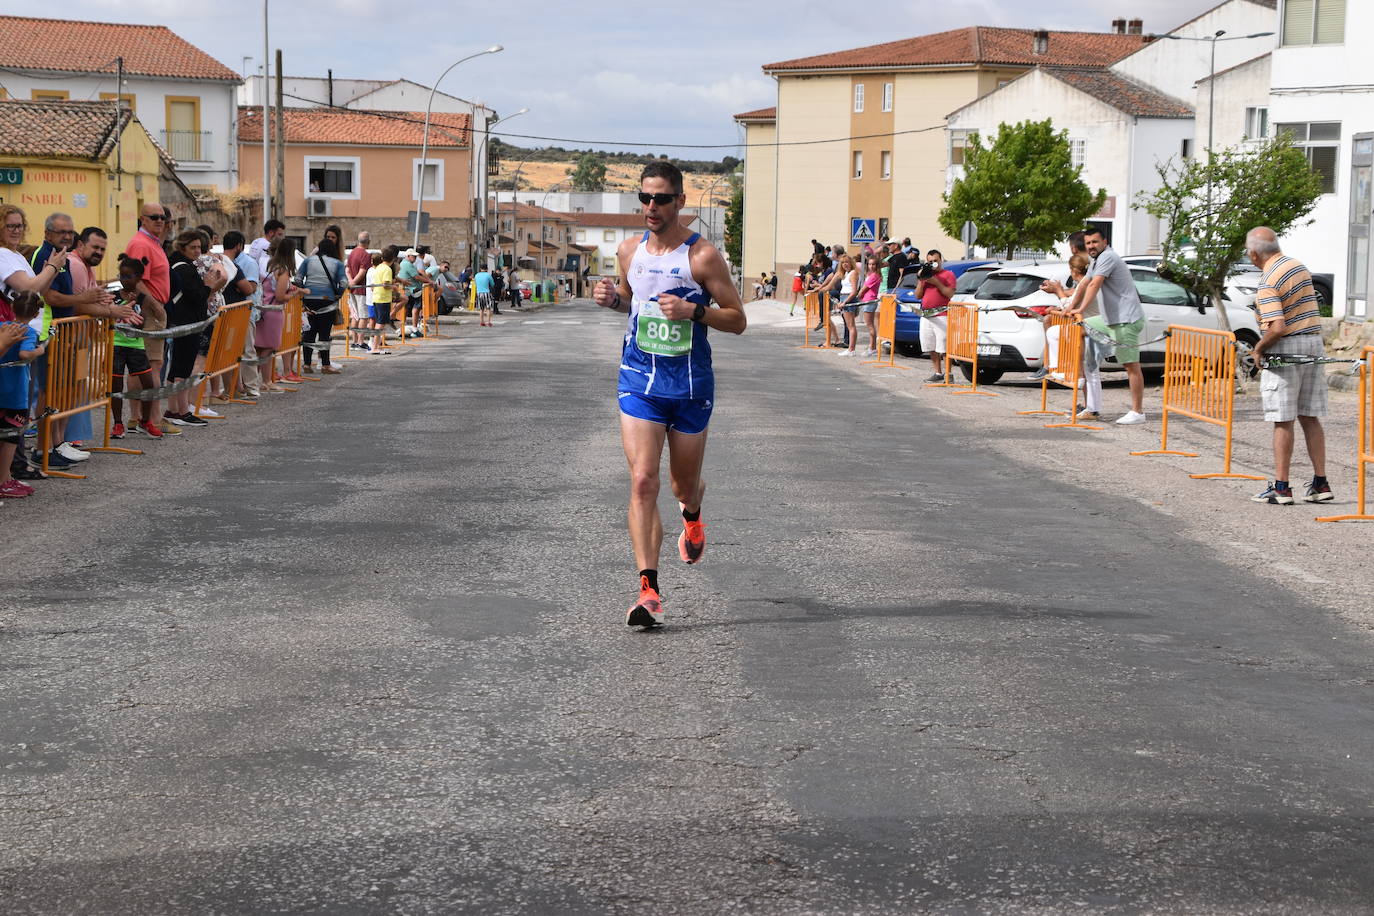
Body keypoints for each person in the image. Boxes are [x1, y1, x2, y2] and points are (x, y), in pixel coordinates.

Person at [592, 161, 747, 627]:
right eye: (644, 198)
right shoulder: (627, 250)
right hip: (638, 379)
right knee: (643, 480)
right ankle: (648, 591)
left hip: (690, 383)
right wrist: (611, 300)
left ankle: (693, 512)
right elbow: (630, 300)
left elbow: (737, 319)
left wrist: (693, 311)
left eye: (661, 199)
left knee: (681, 485)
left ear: (680, 201)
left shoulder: (702, 257)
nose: (651, 207)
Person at [1246, 227, 1331, 505]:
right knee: (1310, 416)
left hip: (1287, 348)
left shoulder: (1268, 278)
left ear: (1254, 253)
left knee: (1283, 418)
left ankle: (1281, 487)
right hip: (1313, 343)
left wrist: (1259, 347)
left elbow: (1277, 326)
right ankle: (1321, 483)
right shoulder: (1298, 266)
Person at [1078, 227, 1146, 425]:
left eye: (1094, 242)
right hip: (1109, 319)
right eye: (1088, 243)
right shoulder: (1096, 260)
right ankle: (1084, 384)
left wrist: (1080, 308)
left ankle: (1137, 412)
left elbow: (1094, 285)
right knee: (1080, 327)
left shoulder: (1108, 257)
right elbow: (1084, 283)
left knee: (1131, 366)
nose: (1091, 246)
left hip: (1126, 320)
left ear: (1104, 241)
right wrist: (1070, 309)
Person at [125, 204, 177, 435]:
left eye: (162, 217)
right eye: (154, 217)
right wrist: (156, 307)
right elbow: (135, 279)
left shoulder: (151, 242)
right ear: (142, 219)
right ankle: (153, 419)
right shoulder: (141, 244)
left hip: (150, 310)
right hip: (149, 312)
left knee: (141, 367)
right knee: (152, 367)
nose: (159, 221)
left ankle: (137, 418)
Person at [108, 254, 162, 439]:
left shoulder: (143, 298)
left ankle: (145, 420)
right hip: (116, 345)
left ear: (138, 278)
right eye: (121, 276)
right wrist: (123, 304)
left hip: (136, 346)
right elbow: (110, 318)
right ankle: (117, 424)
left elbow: (142, 323)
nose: (124, 280)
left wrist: (132, 306)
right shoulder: (113, 297)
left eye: (128, 276)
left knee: (149, 384)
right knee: (116, 386)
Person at [0, 290, 45, 498]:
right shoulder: (29, 332)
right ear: (36, 314)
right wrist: (39, 351)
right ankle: (4, 481)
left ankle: (5, 477)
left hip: (2, 390)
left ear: (11, 308)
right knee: (10, 438)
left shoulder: (3, 327)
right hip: (15, 393)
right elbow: (24, 354)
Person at [255, 239, 307, 390]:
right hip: (274, 311)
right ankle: (266, 382)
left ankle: (254, 382)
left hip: (262, 309)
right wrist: (294, 293)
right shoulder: (282, 270)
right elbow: (280, 296)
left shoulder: (268, 266)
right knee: (269, 348)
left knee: (259, 348)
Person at [294, 236, 347, 374]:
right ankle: (325, 365)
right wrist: (338, 295)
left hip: (308, 300)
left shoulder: (308, 261)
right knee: (324, 333)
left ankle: (306, 364)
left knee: (308, 332)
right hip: (327, 301)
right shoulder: (337, 263)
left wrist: (303, 292)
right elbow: (344, 283)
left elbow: (298, 278)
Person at [915, 251, 957, 382]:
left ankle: (948, 374)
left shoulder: (948, 275)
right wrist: (922, 280)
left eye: (935, 260)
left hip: (942, 315)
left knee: (943, 346)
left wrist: (936, 282)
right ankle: (938, 373)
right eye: (930, 261)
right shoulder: (925, 275)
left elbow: (949, 294)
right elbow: (918, 295)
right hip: (926, 315)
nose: (933, 263)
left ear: (941, 260)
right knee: (930, 346)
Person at [346, 231, 372, 351]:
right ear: (368, 242)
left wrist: (350, 281)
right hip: (361, 289)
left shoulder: (351, 253)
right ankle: (360, 342)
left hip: (352, 290)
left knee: (354, 316)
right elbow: (362, 271)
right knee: (363, 317)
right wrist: (355, 282)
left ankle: (354, 341)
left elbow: (347, 269)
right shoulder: (365, 255)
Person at [832, 254, 860, 356]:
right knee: (849, 325)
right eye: (843, 263)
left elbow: (854, 291)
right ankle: (851, 349)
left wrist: (845, 302)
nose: (845, 264)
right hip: (844, 298)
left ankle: (851, 349)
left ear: (851, 263)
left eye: (847, 262)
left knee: (851, 325)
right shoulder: (846, 274)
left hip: (848, 299)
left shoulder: (853, 273)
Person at [857, 254, 883, 355]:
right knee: (870, 325)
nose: (871, 266)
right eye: (870, 264)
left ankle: (872, 347)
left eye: (873, 264)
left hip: (869, 301)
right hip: (868, 301)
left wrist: (858, 295)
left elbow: (864, 289)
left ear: (877, 265)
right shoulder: (872, 275)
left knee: (870, 325)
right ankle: (872, 346)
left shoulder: (874, 276)